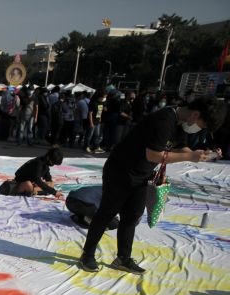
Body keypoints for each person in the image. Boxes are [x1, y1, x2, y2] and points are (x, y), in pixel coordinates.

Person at [78, 96, 226, 274]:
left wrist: (198, 154)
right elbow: (154, 155)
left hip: (142, 174)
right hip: (121, 170)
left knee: (132, 215)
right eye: (202, 126)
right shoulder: (164, 120)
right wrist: (189, 157)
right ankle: (87, 255)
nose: (198, 129)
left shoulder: (180, 124)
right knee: (107, 212)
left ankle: (123, 258)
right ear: (195, 115)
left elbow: (180, 147)